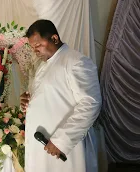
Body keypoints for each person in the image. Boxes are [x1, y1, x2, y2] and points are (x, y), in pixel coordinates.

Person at [21, 19, 101, 172]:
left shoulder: (76, 61)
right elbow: (49, 99)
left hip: (62, 147)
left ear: (54, 38)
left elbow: (90, 103)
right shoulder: (43, 66)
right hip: (42, 145)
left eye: (38, 45)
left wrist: (62, 141)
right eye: (32, 47)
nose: (35, 51)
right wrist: (26, 102)